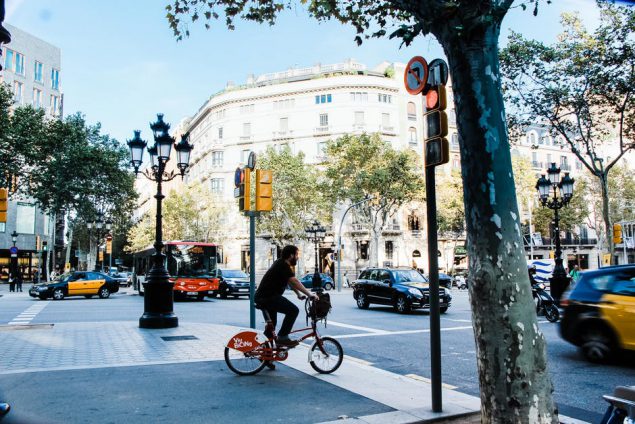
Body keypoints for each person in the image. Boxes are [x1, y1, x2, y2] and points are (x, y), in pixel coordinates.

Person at [254, 245, 318, 348]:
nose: (298, 257)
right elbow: (294, 281)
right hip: (268, 297)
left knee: (271, 327)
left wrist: (298, 294)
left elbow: (289, 281)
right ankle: (283, 337)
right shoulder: (283, 265)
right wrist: (309, 294)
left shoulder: (281, 263)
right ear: (291, 255)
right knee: (293, 311)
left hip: (265, 297)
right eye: (297, 254)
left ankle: (264, 353)